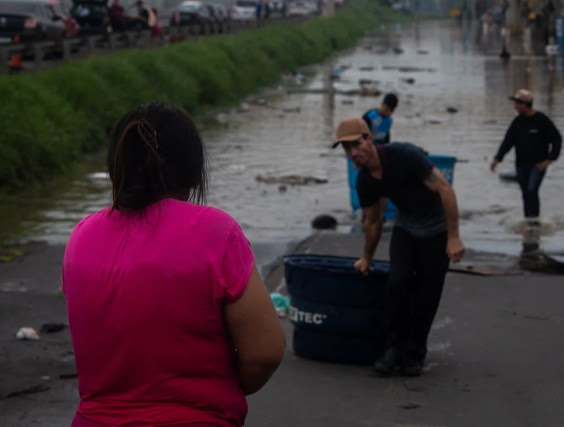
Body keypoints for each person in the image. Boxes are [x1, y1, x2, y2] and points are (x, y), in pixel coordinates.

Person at [63, 102, 285, 426]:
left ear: (118, 164)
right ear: (193, 169)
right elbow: (265, 352)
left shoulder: (81, 237)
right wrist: (221, 389)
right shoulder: (215, 231)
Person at [332, 117, 465, 377]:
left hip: (437, 230)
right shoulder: (365, 181)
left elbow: (445, 189)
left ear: (369, 139)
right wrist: (366, 258)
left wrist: (453, 237)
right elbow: (373, 222)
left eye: (355, 145)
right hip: (406, 228)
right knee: (397, 283)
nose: (352, 153)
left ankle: (414, 354)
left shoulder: (405, 155)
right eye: (346, 149)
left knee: (426, 294)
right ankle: (392, 349)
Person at [490, 89, 562, 225]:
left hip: (538, 164)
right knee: (525, 193)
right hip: (521, 164)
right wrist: (497, 159)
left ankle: (534, 222)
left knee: (532, 190)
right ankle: (529, 221)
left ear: (525, 104)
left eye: (517, 103)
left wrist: (550, 160)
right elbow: (507, 142)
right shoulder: (517, 122)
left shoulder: (542, 120)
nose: (515, 106)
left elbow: (557, 139)